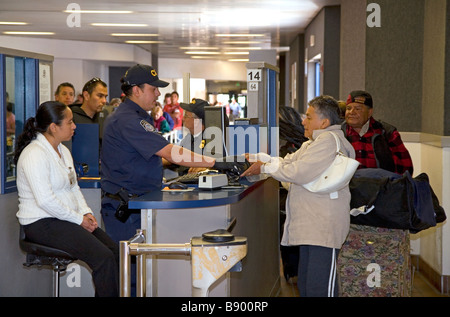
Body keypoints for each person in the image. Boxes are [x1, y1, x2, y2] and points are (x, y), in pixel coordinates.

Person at [100, 64, 246, 244]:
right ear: (137, 90)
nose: (158, 94)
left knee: (141, 268)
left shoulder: (135, 116)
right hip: (127, 209)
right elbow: (170, 152)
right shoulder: (129, 120)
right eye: (153, 89)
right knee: (131, 268)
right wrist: (215, 163)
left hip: (136, 203)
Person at [241, 95, 355, 297]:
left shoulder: (329, 141)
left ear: (325, 122)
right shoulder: (311, 143)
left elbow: (297, 172)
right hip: (313, 228)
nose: (303, 121)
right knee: (307, 284)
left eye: (309, 117)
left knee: (320, 288)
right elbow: (287, 164)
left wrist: (265, 166)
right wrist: (263, 160)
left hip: (323, 229)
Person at [14, 101, 119, 297]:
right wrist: (79, 219)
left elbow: (73, 188)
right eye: (69, 122)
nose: (74, 126)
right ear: (54, 127)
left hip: (65, 219)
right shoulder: (34, 154)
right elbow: (45, 201)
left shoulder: (64, 151)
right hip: (40, 223)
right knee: (103, 258)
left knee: (114, 251)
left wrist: (86, 212)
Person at [342, 90, 413, 175]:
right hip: (347, 187)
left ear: (369, 112)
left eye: (357, 109)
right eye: (348, 108)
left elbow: (406, 169)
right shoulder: (339, 133)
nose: (351, 112)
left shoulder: (387, 133)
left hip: (380, 186)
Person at [70, 77, 109, 142]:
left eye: (105, 97)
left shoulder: (105, 116)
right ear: (86, 95)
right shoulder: (71, 117)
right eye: (100, 96)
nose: (104, 101)